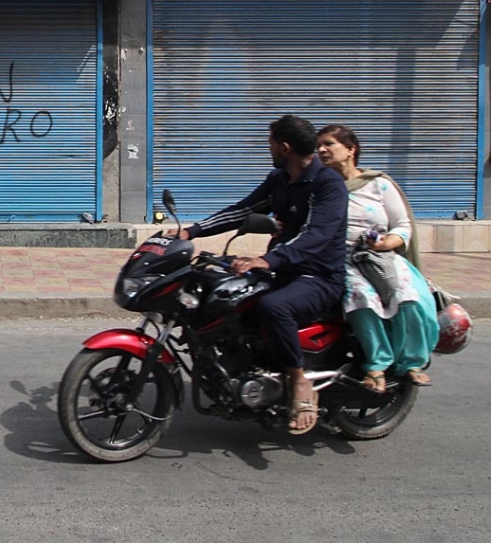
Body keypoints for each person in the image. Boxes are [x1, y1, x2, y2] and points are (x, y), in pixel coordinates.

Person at [175, 115, 348, 435]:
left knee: (274, 307)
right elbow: (245, 210)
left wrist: (268, 259)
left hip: (319, 276)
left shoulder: (328, 184)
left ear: (284, 147)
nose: (267, 149)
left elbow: (316, 236)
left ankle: (299, 383)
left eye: (270, 144)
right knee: (221, 296)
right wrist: (192, 230)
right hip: (282, 269)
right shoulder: (280, 178)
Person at [316, 124, 439, 392]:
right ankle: (376, 364)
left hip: (380, 258)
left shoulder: (378, 184)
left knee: (407, 297)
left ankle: (411, 363)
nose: (321, 150)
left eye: (328, 144)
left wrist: (385, 244)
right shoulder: (320, 185)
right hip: (343, 260)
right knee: (361, 299)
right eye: (318, 147)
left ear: (350, 149)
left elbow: (402, 226)